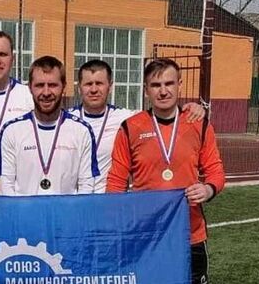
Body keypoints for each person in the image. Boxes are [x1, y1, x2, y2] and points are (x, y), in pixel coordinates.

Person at [106, 58, 226, 284]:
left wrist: (208, 189)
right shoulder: (131, 127)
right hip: (147, 242)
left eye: (169, 84)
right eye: (156, 85)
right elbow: (116, 182)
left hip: (190, 236)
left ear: (179, 86)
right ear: (146, 89)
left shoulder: (198, 124)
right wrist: (118, 223)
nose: (163, 91)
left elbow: (216, 171)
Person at [0, 55, 98, 284]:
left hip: (64, 241)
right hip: (22, 242)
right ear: (30, 87)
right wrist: (23, 225)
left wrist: (71, 228)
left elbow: (87, 187)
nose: (46, 91)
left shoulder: (79, 132)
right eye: (39, 84)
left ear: (63, 87)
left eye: (52, 84)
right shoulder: (13, 131)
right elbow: (6, 186)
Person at [69, 59, 206, 192]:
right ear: (79, 87)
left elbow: (160, 113)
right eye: (88, 84)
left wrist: (194, 108)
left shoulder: (126, 118)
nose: (94, 89)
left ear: (110, 87)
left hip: (107, 198)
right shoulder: (65, 120)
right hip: (73, 200)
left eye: (99, 83)